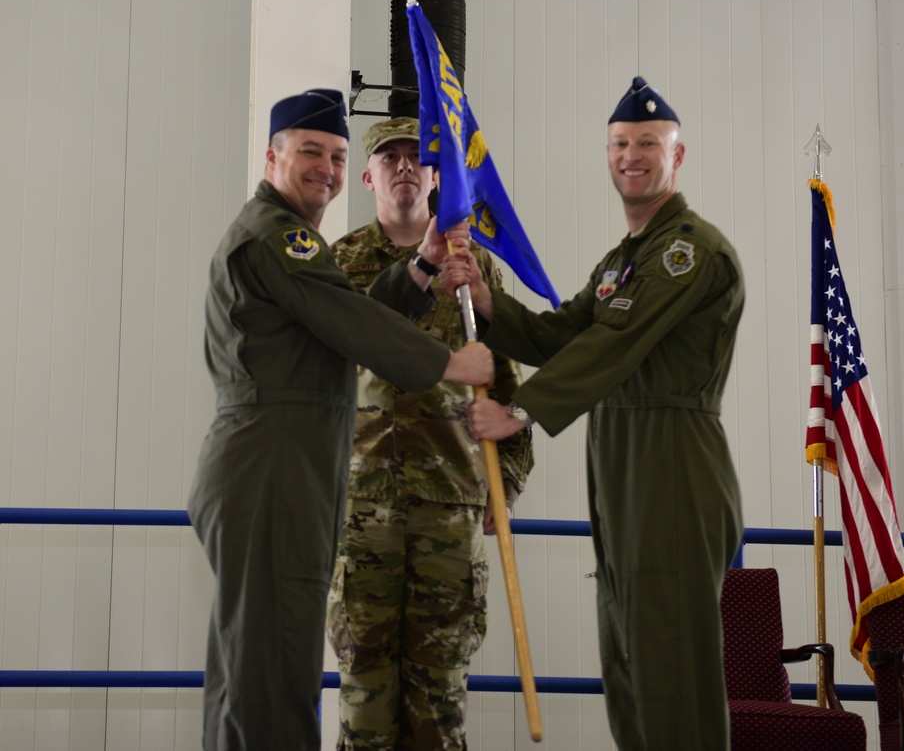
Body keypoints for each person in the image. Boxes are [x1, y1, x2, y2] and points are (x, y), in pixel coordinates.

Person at [442, 77, 745, 750]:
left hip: (672, 461)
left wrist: (519, 413)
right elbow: (565, 337)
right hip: (619, 459)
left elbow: (616, 342)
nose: (630, 155)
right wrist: (490, 304)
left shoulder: (687, 249)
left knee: (671, 664)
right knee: (629, 660)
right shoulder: (622, 261)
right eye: (619, 144)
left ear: (679, 155)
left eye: (647, 143)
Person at [187, 89, 494, 751]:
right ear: (272, 157)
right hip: (273, 467)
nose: (324, 168)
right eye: (309, 153)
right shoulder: (278, 235)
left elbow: (339, 315)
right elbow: (352, 321)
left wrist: (419, 267)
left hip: (285, 466)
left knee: (255, 664)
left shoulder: (288, 239)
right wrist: (453, 365)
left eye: (333, 154)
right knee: (270, 674)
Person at [326, 117, 534, 750]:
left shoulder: (476, 271)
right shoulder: (341, 264)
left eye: (418, 156)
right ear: (367, 177)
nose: (405, 167)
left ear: (439, 175)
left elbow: (507, 385)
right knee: (364, 688)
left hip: (450, 503)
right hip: (362, 508)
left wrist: (511, 486)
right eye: (389, 158)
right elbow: (328, 372)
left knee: (440, 697)